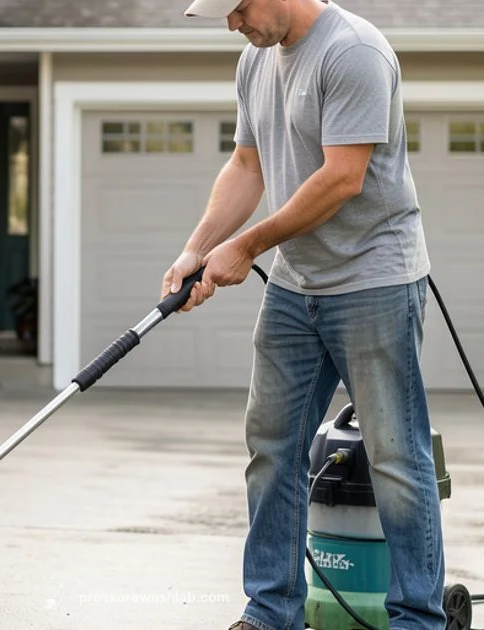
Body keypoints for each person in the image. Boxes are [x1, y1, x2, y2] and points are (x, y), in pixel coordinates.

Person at [161, 1, 447, 629]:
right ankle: (270, 612)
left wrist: (247, 246)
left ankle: (417, 620)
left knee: (394, 458)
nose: (232, 25)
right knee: (272, 446)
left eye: (237, 9)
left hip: (374, 279)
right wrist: (198, 247)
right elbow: (246, 165)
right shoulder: (254, 62)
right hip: (296, 286)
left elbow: (343, 177)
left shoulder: (354, 52)